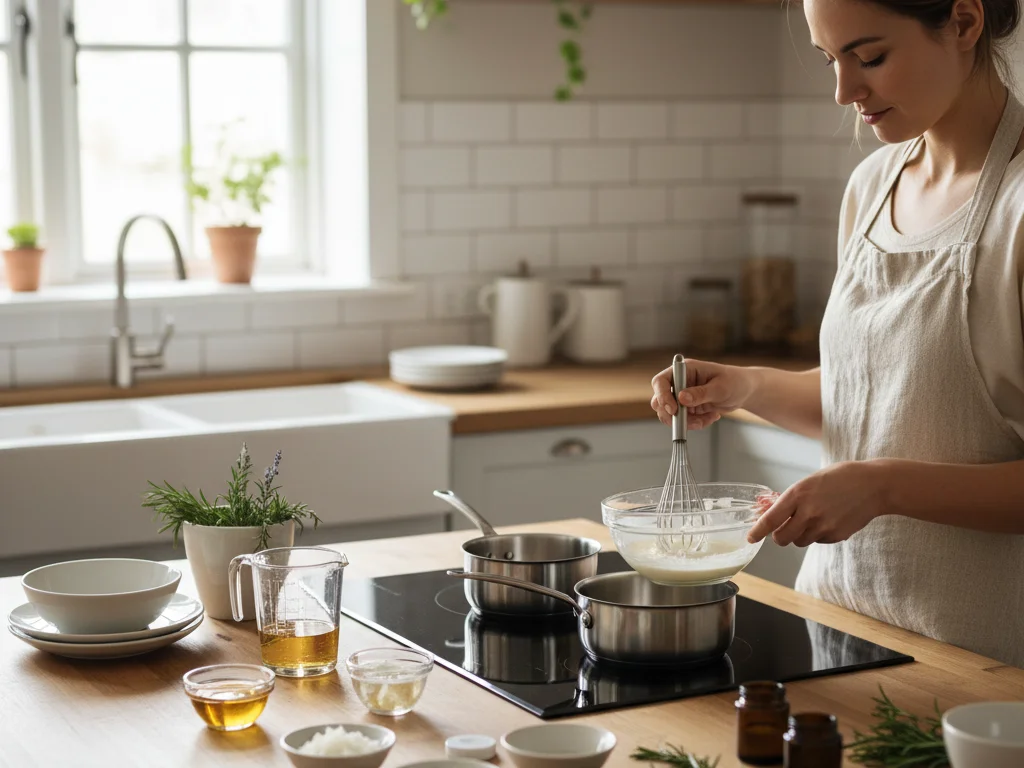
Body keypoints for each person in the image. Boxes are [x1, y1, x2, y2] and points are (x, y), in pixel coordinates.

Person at [651, 0, 1024, 667]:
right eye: (830, 60)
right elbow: (885, 397)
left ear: (964, 23)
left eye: (870, 57)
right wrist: (746, 387)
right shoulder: (872, 186)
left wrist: (882, 487)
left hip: (981, 662)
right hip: (837, 631)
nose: (843, 92)